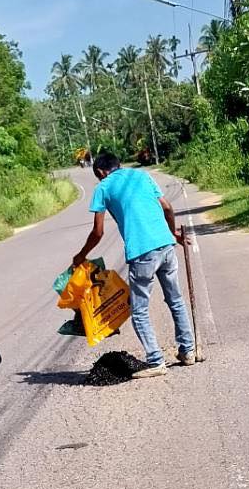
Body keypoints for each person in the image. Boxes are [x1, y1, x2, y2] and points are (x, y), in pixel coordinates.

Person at [72, 150, 195, 377]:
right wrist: (173, 234)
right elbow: (167, 207)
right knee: (175, 300)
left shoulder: (103, 187)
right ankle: (188, 351)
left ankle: (156, 361)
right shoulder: (141, 176)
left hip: (142, 252)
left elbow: (98, 232)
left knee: (139, 311)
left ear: (100, 172)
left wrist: (81, 255)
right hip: (166, 246)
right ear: (119, 164)